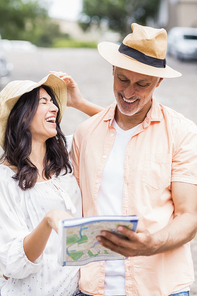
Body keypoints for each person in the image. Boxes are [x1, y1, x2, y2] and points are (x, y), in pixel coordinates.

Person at [70, 23, 197, 296]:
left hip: (161, 288)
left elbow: (190, 216)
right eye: (123, 80)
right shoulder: (85, 133)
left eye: (142, 84)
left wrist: (149, 244)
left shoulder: (182, 133)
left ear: (159, 81)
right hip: (93, 287)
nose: (129, 93)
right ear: (112, 71)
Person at [0, 72, 103, 296]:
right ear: (22, 116)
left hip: (78, 291)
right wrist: (49, 221)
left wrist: (79, 102)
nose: (55, 108)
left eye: (53, 102)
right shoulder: (4, 180)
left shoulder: (66, 159)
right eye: (43, 102)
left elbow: (115, 127)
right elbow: (12, 265)